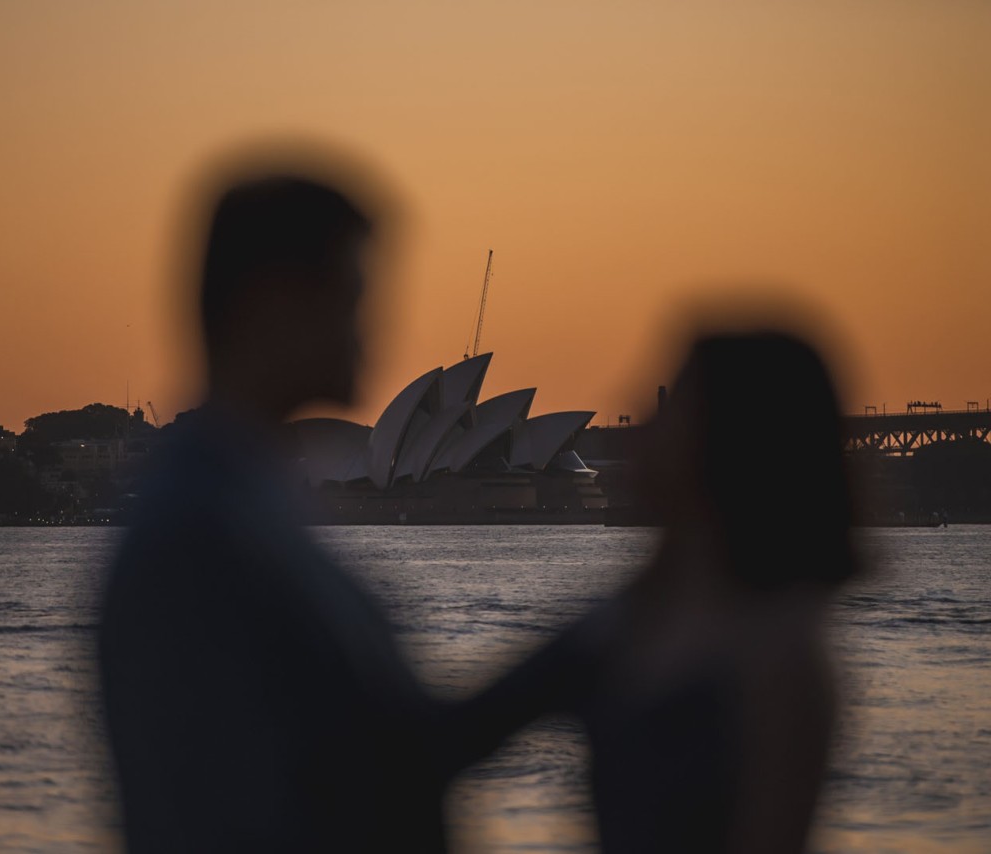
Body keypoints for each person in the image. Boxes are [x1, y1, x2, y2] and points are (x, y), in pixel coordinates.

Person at [97, 169, 541, 852]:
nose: (371, 328)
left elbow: (369, 754)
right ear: (272, 306)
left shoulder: (242, 501)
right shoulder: (197, 530)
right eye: (353, 298)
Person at [545, 331, 863, 853]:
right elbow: (455, 736)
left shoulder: (782, 658)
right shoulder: (634, 615)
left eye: (672, 405)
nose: (643, 418)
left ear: (721, 441)